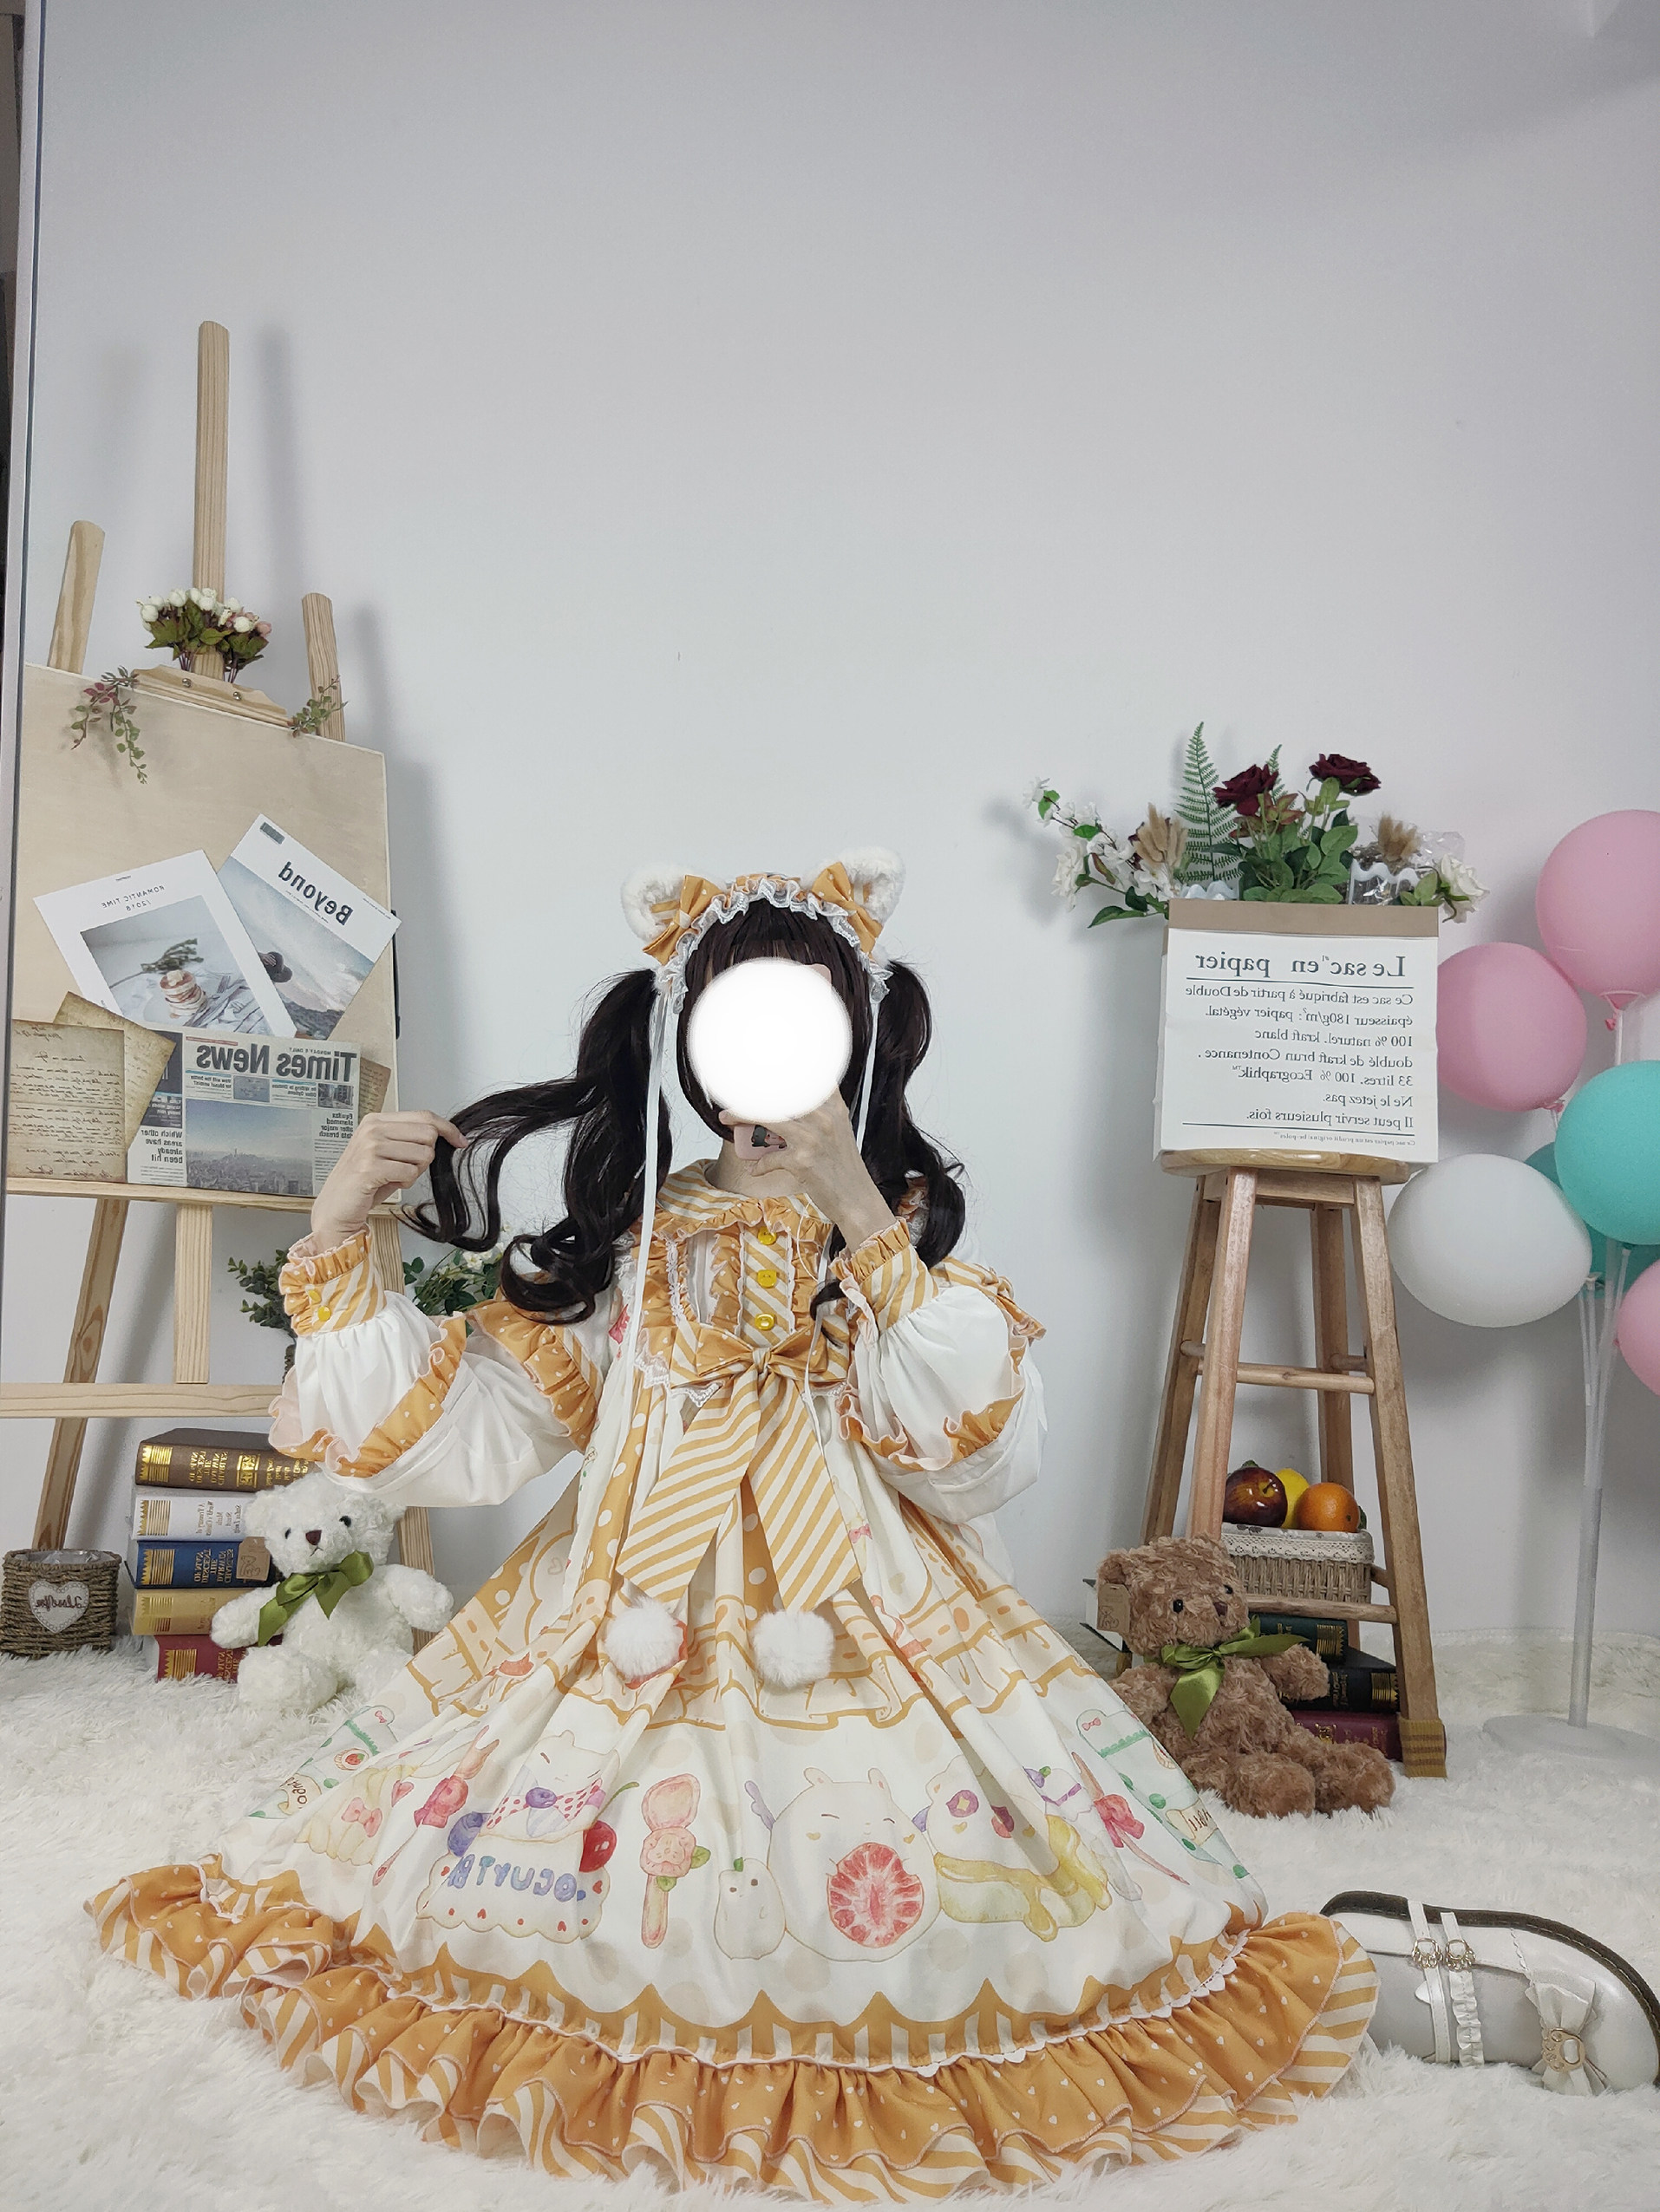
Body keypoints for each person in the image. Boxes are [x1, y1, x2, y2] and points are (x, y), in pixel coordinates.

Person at [90, 853, 1376, 2195]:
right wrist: (339, 1237)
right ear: (688, 1047)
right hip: (632, 1602)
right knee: (527, 1863)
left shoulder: (896, 1243)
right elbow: (465, 1443)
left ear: (854, 1043)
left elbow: (975, 1462)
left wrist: (858, 1217)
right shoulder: (631, 1245)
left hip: (874, 1606)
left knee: (963, 1874)